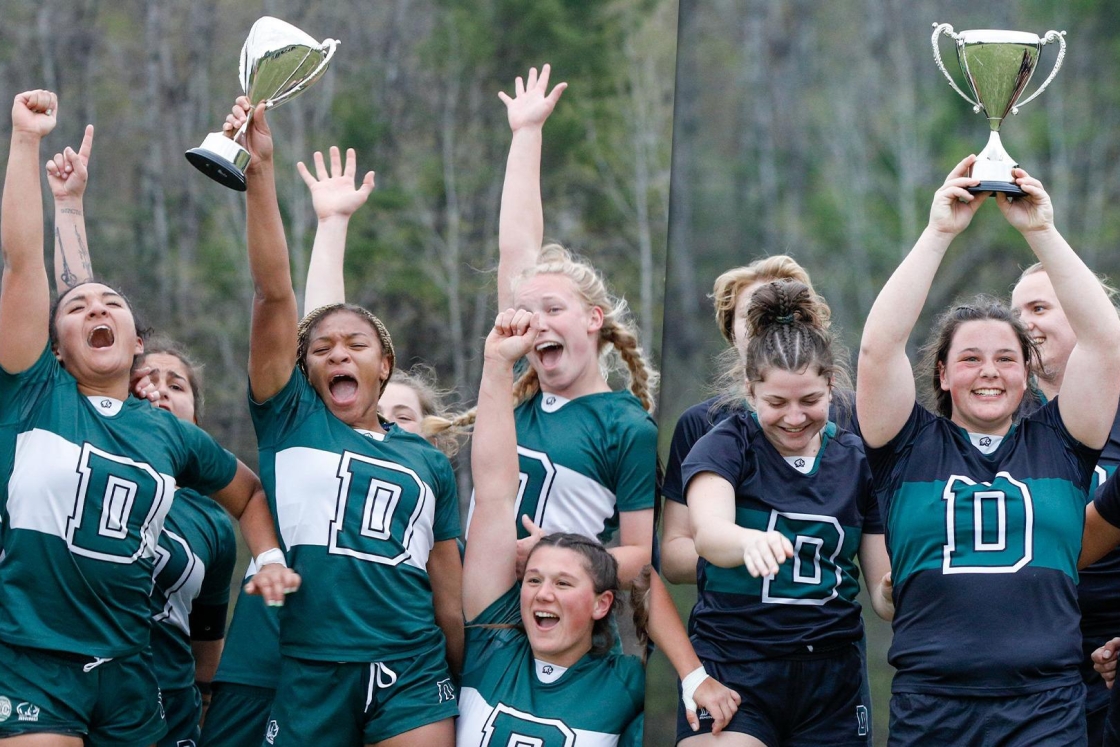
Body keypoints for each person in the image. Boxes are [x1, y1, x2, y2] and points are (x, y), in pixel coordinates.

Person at [0, 89, 297, 747]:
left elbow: (247, 495)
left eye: (112, 304)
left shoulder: (165, 431)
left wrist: (270, 554)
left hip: (131, 671)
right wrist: (25, 142)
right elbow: (26, 264)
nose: (96, 309)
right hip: (32, 659)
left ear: (138, 342)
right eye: (77, 310)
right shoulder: (33, 393)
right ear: (51, 345)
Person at [199, 145, 460, 747]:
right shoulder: (292, 422)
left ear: (386, 364)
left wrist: (467, 678)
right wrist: (259, 173)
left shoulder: (424, 459)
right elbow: (274, 296)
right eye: (321, 349)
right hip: (311, 663)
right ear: (304, 371)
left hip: (414, 664)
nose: (337, 352)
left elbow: (448, 591)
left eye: (356, 344)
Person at [857, 157, 1120, 744]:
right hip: (932, 708)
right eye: (970, 359)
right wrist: (939, 232)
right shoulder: (908, 448)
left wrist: (1040, 231)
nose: (989, 373)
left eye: (1006, 358)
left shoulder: (1059, 442)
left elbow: (1107, 342)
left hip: (1045, 709)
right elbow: (879, 349)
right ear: (943, 374)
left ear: (1027, 373)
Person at [45, 129, 238, 746]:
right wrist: (70, 208)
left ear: (196, 415)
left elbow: (209, 646)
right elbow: (82, 307)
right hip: (62, 679)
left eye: (174, 384)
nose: (155, 390)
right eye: (144, 380)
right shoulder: (86, 443)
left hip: (164, 704)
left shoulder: (212, 522)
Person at [432, 64, 656, 586]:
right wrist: (525, 133)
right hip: (478, 613)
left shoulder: (627, 426)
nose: (538, 323)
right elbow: (516, 248)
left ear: (594, 320)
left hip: (554, 624)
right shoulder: (515, 400)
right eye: (529, 314)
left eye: (554, 310)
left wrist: (557, 557)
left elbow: (640, 558)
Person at [682, 279, 890, 746]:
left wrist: (900, 588)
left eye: (810, 401)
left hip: (832, 678)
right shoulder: (724, 445)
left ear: (831, 386)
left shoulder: (857, 460)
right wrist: (747, 541)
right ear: (750, 391)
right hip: (736, 667)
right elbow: (709, 533)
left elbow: (881, 593)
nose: (794, 417)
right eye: (776, 403)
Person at [458, 307, 644, 745]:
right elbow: (493, 494)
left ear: (602, 604)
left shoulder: (625, 687)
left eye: (563, 583)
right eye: (535, 579)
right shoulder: (490, 645)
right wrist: (498, 364)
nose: (542, 593)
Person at [661, 256, 829, 584]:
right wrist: (748, 550)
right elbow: (673, 554)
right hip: (731, 626)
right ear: (730, 332)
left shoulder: (841, 424)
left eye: (779, 315)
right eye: (751, 315)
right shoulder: (701, 425)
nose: (766, 326)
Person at [1011, 262, 1120, 745]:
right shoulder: (1000, 421)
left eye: (1038, 308)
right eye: (1016, 313)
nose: (1024, 323)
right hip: (1030, 660)